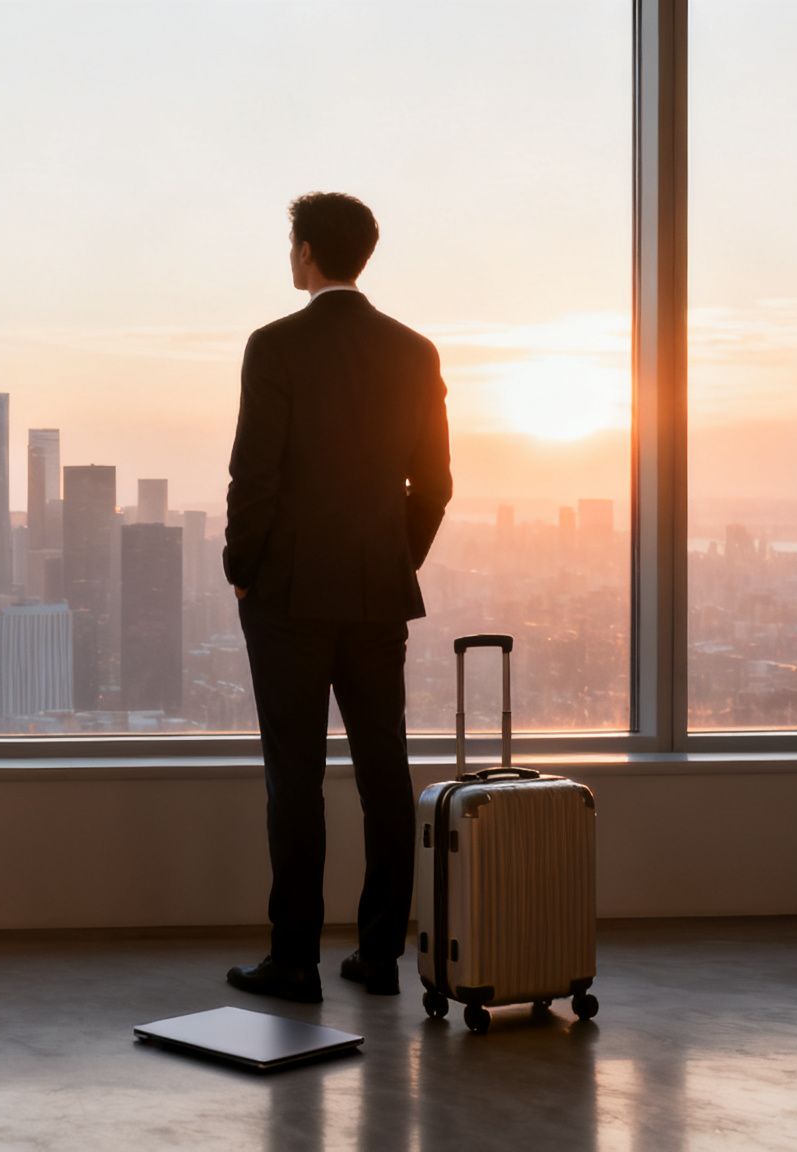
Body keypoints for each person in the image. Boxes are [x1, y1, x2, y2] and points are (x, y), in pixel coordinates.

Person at [222, 192, 452, 1002]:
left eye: (293, 247)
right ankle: (381, 952)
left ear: (309, 253)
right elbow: (435, 485)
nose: (291, 259)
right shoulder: (414, 352)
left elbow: (256, 473)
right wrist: (395, 558)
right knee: (384, 770)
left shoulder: (274, 346)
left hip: (287, 593)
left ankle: (295, 960)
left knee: (296, 776)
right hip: (376, 592)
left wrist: (239, 566)